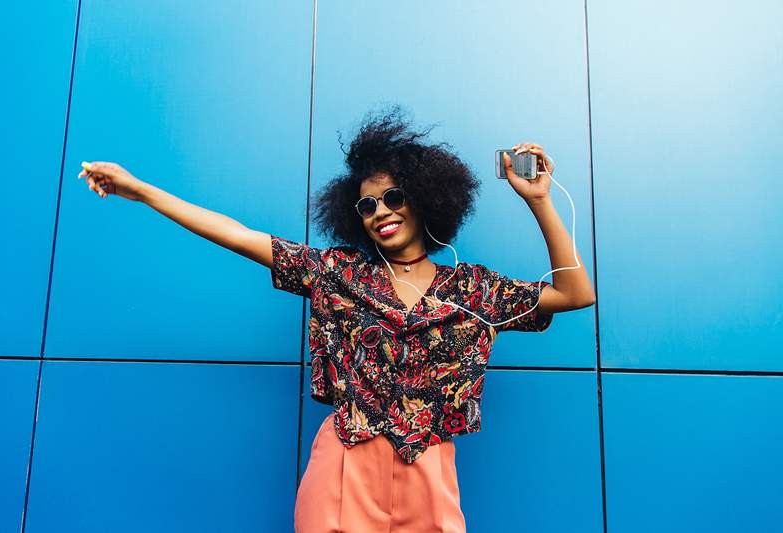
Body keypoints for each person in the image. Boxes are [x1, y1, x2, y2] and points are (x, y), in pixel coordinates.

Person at [78, 105, 596, 532]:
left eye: (393, 197)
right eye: (367, 206)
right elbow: (237, 235)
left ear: (423, 200)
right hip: (346, 461)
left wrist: (539, 200)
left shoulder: (472, 290)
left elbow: (576, 293)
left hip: (430, 469)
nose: (381, 212)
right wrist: (142, 191)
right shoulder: (337, 273)